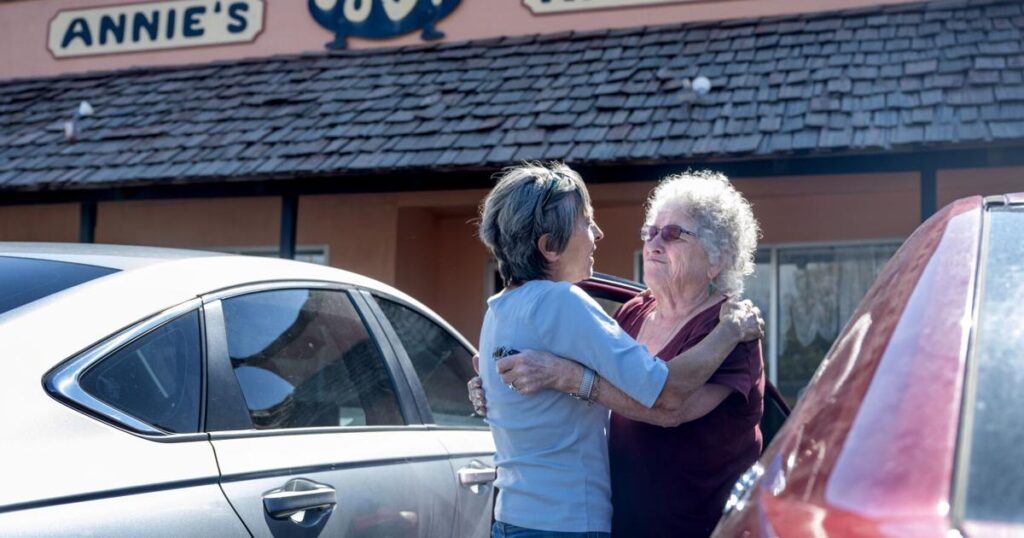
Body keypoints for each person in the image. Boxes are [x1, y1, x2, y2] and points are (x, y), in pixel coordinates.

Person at [475, 163, 762, 538]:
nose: (599, 232)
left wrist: (561, 378)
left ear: (717, 259)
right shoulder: (588, 305)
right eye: (651, 231)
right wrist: (732, 329)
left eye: (673, 234)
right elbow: (661, 394)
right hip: (568, 522)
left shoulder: (498, 307)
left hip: (687, 526)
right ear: (549, 246)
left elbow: (669, 407)